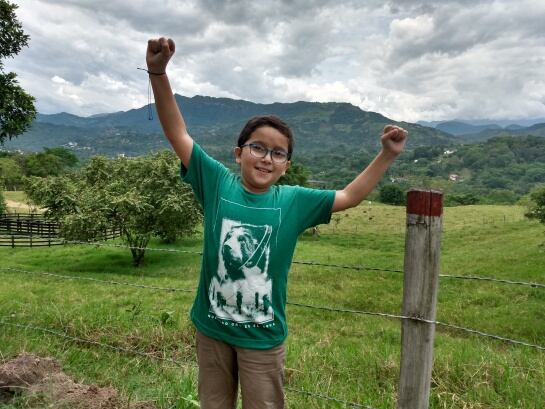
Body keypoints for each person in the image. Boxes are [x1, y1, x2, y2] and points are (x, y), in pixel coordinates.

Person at [146, 37, 407, 409]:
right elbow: (178, 133)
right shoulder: (217, 183)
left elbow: (350, 196)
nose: (267, 158)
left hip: (262, 339)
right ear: (239, 154)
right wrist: (158, 73)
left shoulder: (293, 201)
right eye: (258, 147)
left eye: (278, 153)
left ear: (286, 165)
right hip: (212, 330)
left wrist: (387, 154)